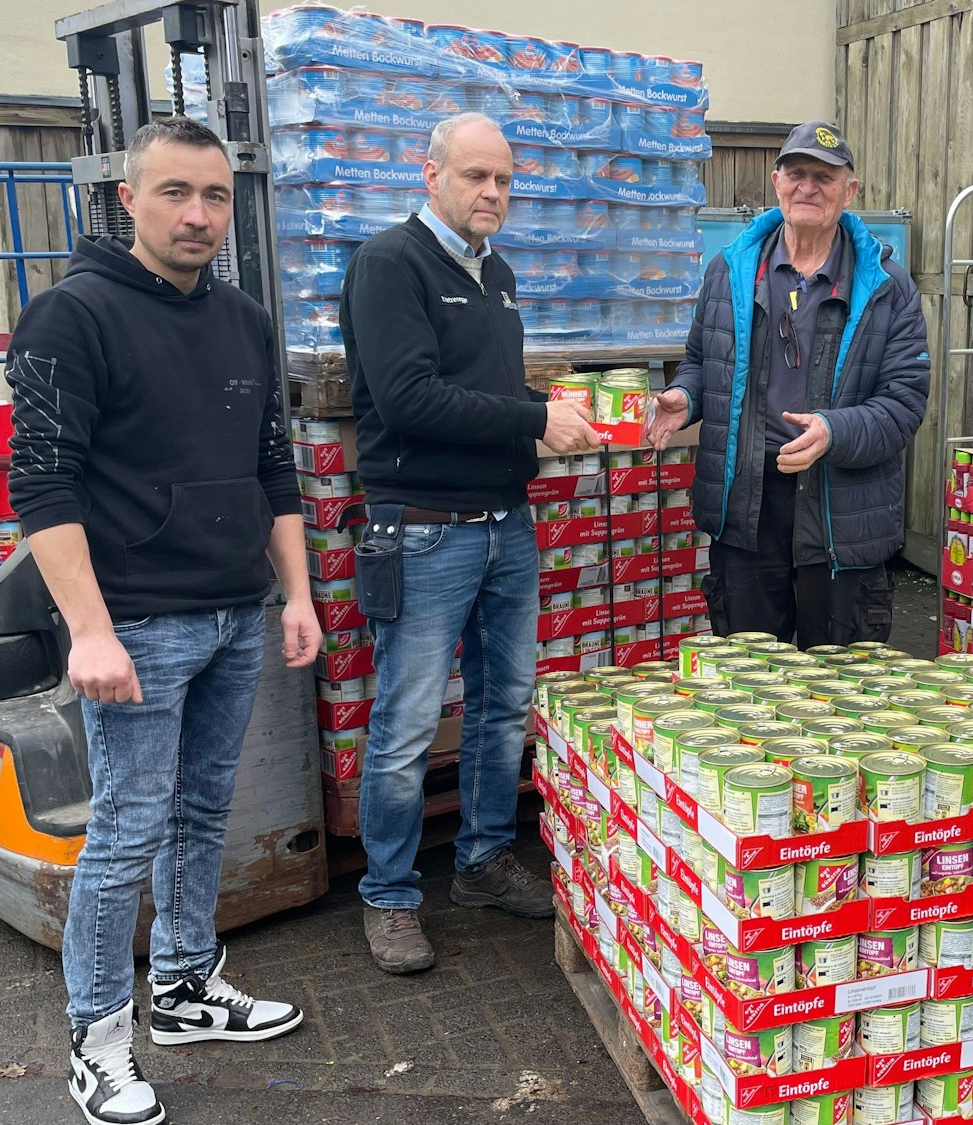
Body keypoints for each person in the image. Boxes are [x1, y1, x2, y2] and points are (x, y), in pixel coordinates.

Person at [5, 116, 318, 1125]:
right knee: (126, 831)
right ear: (128, 198)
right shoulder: (72, 317)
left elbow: (274, 468)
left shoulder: (242, 320)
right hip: (137, 625)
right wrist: (88, 629)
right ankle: (97, 1042)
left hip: (233, 611)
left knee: (201, 813)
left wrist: (298, 594)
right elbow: (42, 486)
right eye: (174, 193)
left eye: (214, 196)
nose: (197, 215)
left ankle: (185, 988)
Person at [341, 112, 602, 975]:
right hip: (423, 533)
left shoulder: (499, 275)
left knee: (502, 706)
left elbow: (481, 398)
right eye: (475, 176)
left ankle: (485, 859)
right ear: (432, 176)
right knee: (410, 720)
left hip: (504, 527)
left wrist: (553, 420)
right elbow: (410, 398)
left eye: (503, 179)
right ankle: (387, 894)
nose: (491, 192)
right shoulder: (389, 264)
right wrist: (535, 419)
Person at [648, 120, 929, 647]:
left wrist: (833, 430)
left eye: (824, 177)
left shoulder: (889, 288)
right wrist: (684, 398)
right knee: (750, 689)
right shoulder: (728, 272)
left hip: (840, 516)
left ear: (850, 190)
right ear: (776, 181)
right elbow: (699, 362)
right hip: (746, 509)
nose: (808, 187)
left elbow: (904, 402)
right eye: (797, 173)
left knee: (841, 693)